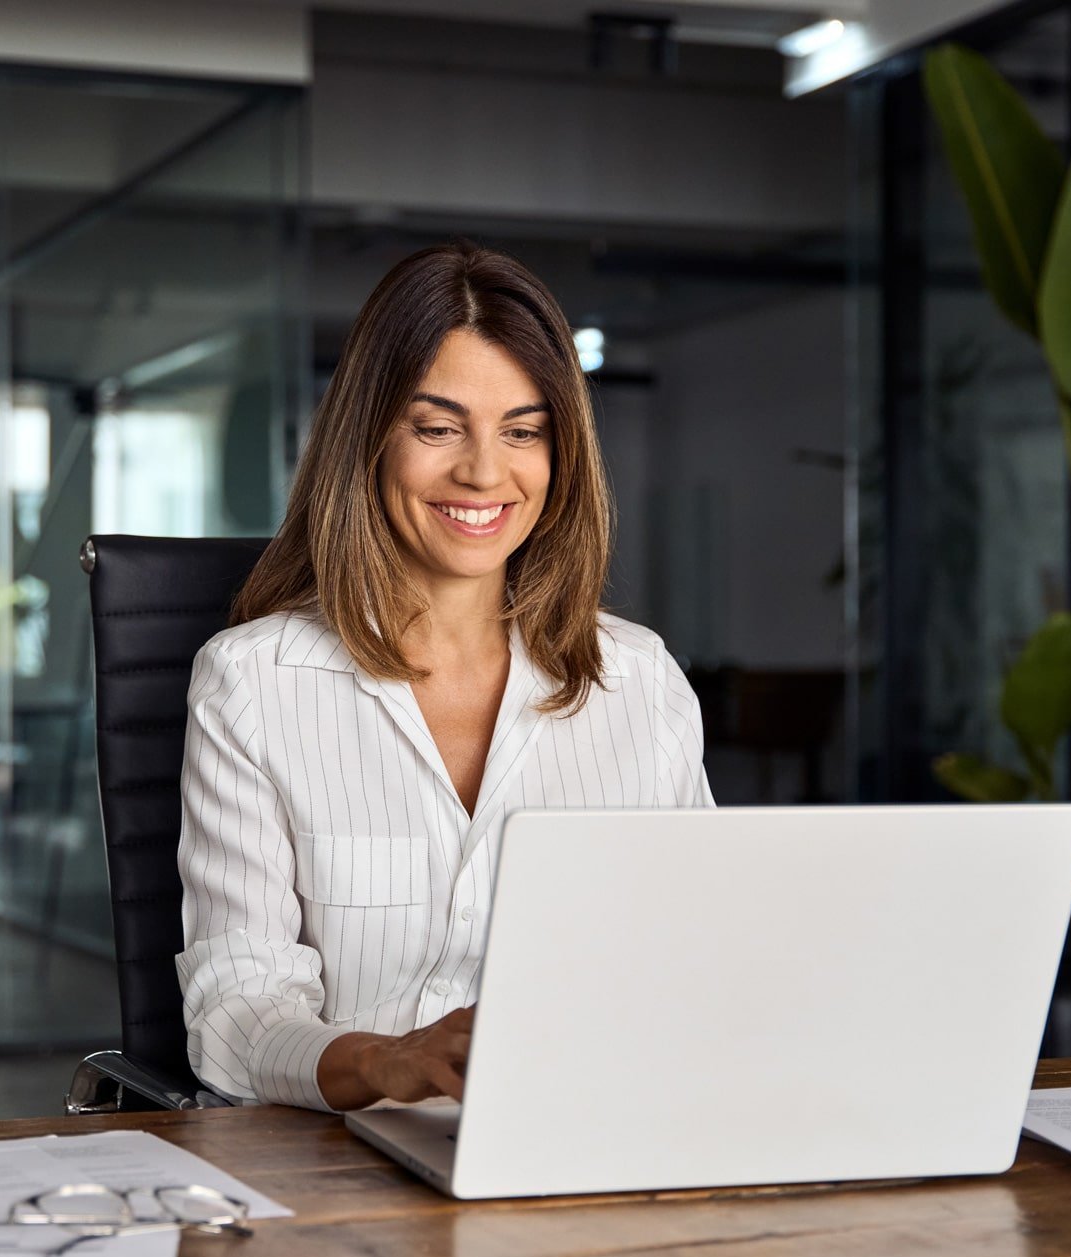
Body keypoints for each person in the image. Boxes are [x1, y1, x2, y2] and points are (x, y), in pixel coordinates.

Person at [177, 243, 713, 1113]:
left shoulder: (640, 682)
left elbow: (702, 960)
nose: (483, 472)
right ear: (371, 437)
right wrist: (384, 1061)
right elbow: (235, 1015)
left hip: (585, 1142)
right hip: (341, 1165)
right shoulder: (253, 683)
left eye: (523, 430)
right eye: (437, 427)